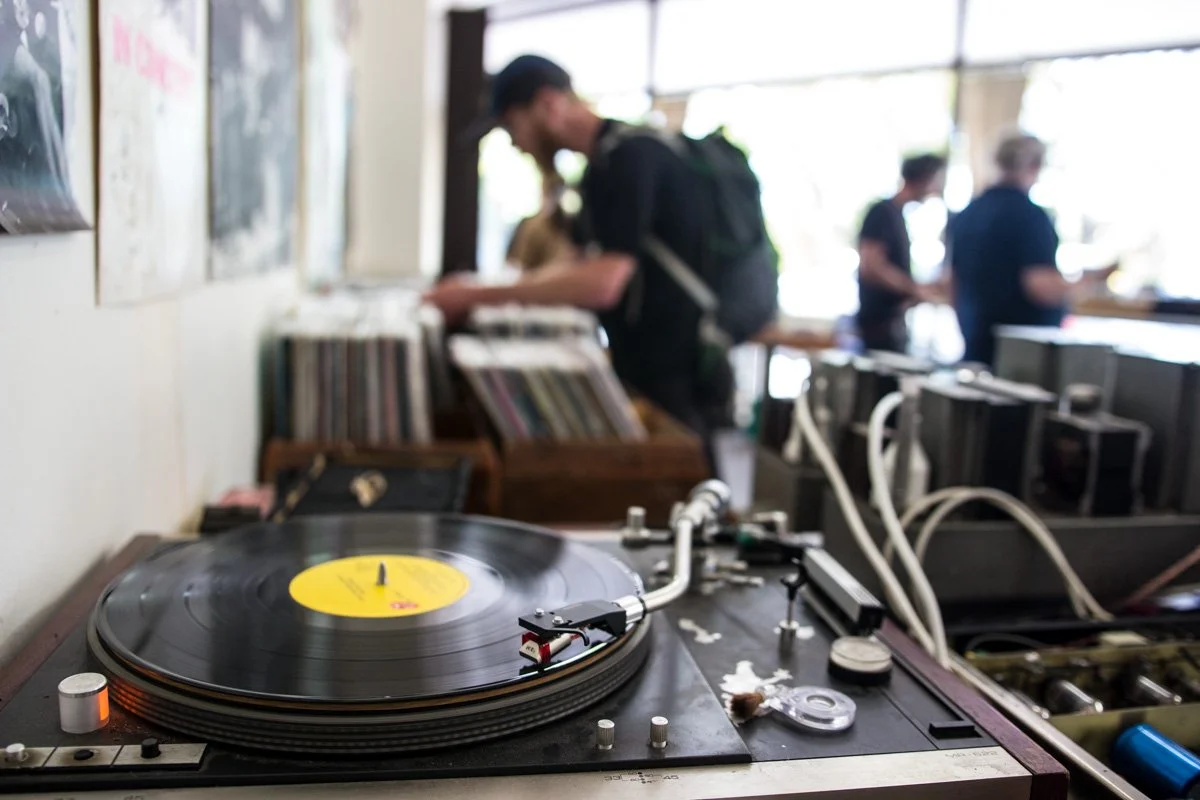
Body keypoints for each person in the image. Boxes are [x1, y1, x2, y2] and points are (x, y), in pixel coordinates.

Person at [425, 55, 740, 470]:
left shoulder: (632, 157)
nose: (516, 143)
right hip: (641, 366)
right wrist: (490, 290)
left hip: (675, 371)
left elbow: (603, 282)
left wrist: (475, 296)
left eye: (512, 126)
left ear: (547, 104)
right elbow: (576, 264)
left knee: (689, 488)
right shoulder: (600, 169)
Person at [948, 133, 1113, 365]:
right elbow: (1039, 285)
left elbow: (952, 285)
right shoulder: (1029, 216)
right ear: (1035, 166)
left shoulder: (968, 214)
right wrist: (1086, 281)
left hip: (976, 343)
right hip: (1021, 355)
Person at [855, 153, 947, 353]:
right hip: (878, 325)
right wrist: (912, 289)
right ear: (925, 178)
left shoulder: (898, 215)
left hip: (893, 323)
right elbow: (871, 266)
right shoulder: (882, 212)